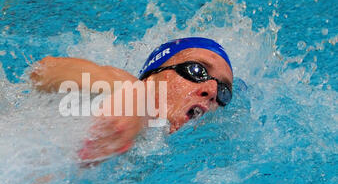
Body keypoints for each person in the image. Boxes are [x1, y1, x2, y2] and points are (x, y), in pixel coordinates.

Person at [30, 37, 233, 162]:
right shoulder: (117, 94)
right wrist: (133, 93)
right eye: (196, 70)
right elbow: (44, 70)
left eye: (224, 90)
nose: (212, 90)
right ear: (152, 77)